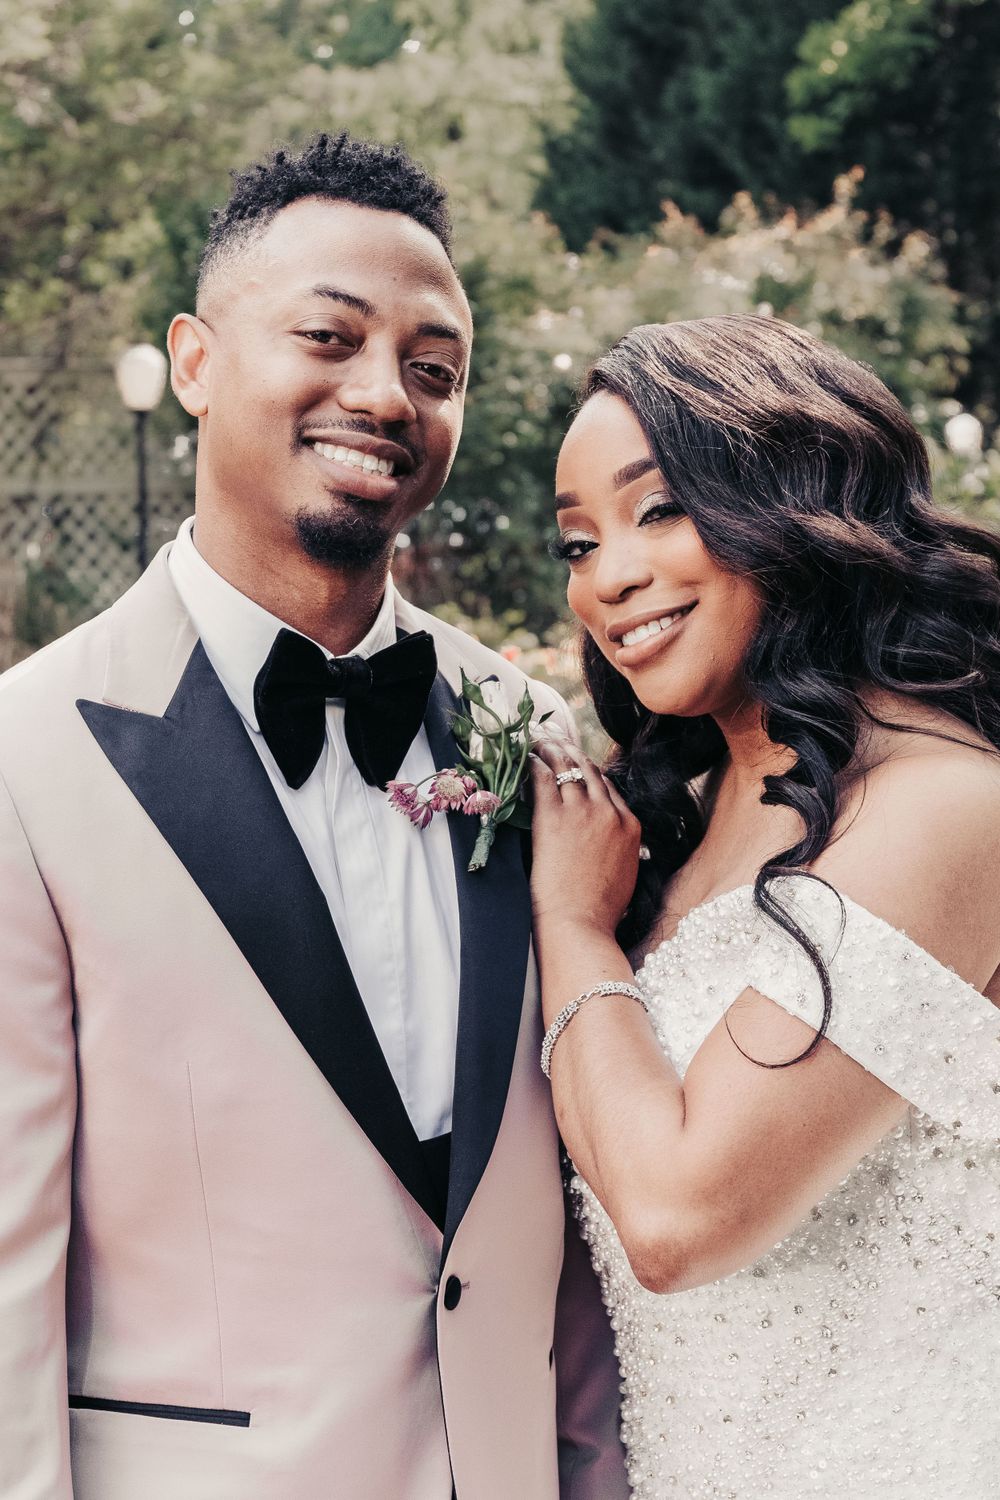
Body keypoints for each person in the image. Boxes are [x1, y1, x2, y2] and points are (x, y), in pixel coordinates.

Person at [0, 132, 628, 1500]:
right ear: (196, 361)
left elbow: (574, 1207)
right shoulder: (26, 758)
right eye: (329, 338)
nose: (386, 394)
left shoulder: (525, 727)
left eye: (433, 368)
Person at [529, 315, 1000, 1498]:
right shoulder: (682, 820)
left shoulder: (943, 808)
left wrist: (573, 929)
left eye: (656, 510)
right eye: (577, 543)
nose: (608, 578)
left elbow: (677, 1216)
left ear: (791, 502)